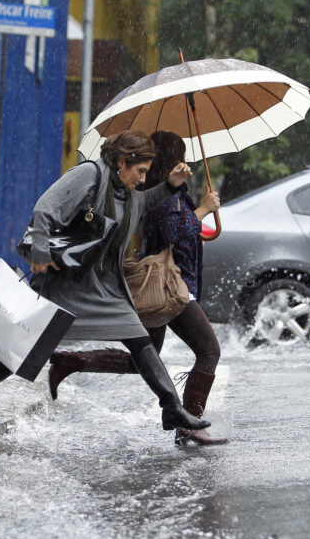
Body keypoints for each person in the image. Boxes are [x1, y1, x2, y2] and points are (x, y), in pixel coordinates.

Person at [0, 130, 210, 434]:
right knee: (30, 346)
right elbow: (45, 209)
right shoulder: (88, 175)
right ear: (123, 161)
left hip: (104, 285)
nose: (142, 179)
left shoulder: (125, 191)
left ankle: (172, 408)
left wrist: (170, 186)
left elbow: (142, 202)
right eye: (140, 171)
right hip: (69, 282)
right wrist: (39, 253)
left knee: (140, 340)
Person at [47, 131, 226, 445]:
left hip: (163, 283)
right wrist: (204, 209)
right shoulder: (163, 195)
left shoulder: (159, 188)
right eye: (181, 156)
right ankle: (190, 423)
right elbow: (175, 231)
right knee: (209, 350)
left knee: (144, 358)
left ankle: (73, 361)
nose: (186, 163)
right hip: (170, 286)